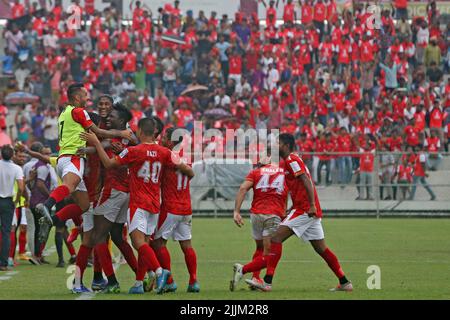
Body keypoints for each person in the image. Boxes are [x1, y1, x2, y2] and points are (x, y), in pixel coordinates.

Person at [80, 117, 194, 294]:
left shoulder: (134, 151)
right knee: (146, 243)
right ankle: (139, 283)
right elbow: (189, 171)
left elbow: (109, 164)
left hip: (139, 202)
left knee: (137, 242)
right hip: (155, 204)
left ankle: (159, 271)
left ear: (140, 131)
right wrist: (187, 170)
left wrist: (96, 142)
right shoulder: (164, 152)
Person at [246, 133, 352, 292]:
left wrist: (311, 205)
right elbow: (292, 182)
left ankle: (267, 282)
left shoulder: (291, 160)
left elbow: (306, 181)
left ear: (287, 145)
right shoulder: (287, 162)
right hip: (304, 209)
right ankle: (344, 282)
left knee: (275, 238)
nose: (276, 146)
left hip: (305, 210)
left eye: (278, 143)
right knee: (321, 249)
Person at [35, 84, 133, 246]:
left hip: (63, 158)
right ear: (77, 98)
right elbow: (98, 132)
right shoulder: (79, 111)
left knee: (84, 205)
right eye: (85, 95)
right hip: (74, 157)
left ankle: (51, 220)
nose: (88, 98)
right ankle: (46, 206)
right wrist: (120, 133)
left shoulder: (64, 113)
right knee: (70, 185)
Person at [151, 127, 200, 293]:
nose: (161, 139)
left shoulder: (167, 155)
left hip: (171, 206)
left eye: (164, 137)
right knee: (187, 244)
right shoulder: (186, 156)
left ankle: (169, 280)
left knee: (157, 243)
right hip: (186, 207)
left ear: (171, 142)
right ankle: (194, 281)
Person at [230, 156, 288, 291]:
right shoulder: (283, 172)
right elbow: (286, 193)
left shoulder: (256, 172)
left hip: (256, 214)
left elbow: (243, 188)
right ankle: (245, 271)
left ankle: (256, 278)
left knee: (260, 248)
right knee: (270, 252)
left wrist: (236, 212)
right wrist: (284, 211)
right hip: (273, 214)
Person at [0, 145, 25, 271]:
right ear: (13, 155)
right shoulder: (16, 168)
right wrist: (16, 199)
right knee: (6, 232)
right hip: (8, 201)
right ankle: (3, 263)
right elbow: (21, 187)